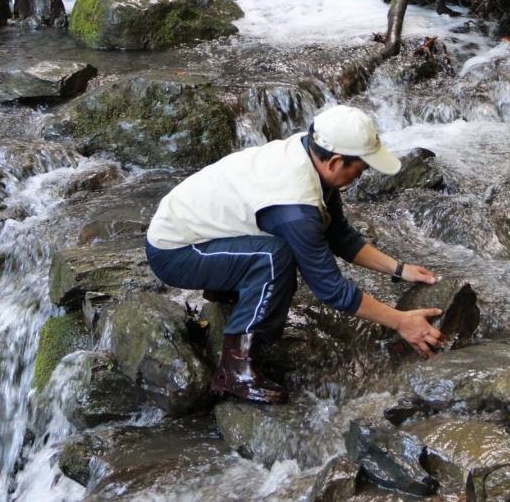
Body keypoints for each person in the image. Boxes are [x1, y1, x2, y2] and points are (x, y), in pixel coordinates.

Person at [146, 105, 446, 404]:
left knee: (278, 255)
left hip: (208, 233)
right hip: (177, 252)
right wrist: (401, 322)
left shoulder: (310, 153)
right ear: (337, 161)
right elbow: (330, 289)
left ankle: (230, 291)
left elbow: (338, 234)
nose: (363, 174)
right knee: (274, 257)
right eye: (363, 167)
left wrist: (398, 269)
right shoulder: (295, 205)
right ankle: (234, 371)